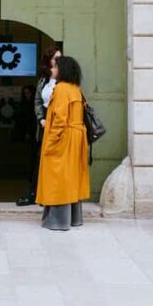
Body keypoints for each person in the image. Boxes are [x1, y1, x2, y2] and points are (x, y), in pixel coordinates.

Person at [36, 56, 90, 231]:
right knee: (71, 175)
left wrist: (50, 142)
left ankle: (58, 220)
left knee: (58, 176)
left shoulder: (60, 89)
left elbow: (59, 119)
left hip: (64, 137)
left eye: (55, 67)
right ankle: (74, 218)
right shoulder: (75, 89)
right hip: (77, 137)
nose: (52, 70)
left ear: (62, 70)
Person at [17, 46, 61, 207]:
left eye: (60, 58)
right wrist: (41, 119)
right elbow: (37, 101)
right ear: (48, 61)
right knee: (38, 160)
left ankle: (52, 195)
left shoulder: (64, 79)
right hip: (43, 127)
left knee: (54, 161)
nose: (58, 61)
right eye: (55, 58)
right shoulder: (43, 80)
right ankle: (34, 194)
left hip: (58, 126)